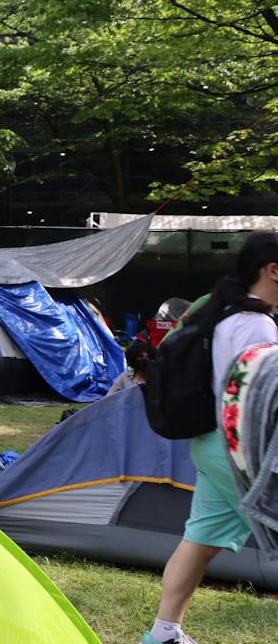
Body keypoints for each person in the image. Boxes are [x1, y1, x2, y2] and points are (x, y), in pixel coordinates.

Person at [143, 231, 278, 644]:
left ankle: (163, 633)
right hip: (242, 453)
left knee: (200, 540)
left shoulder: (224, 316)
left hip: (212, 444)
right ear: (273, 270)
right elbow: (261, 402)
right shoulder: (257, 326)